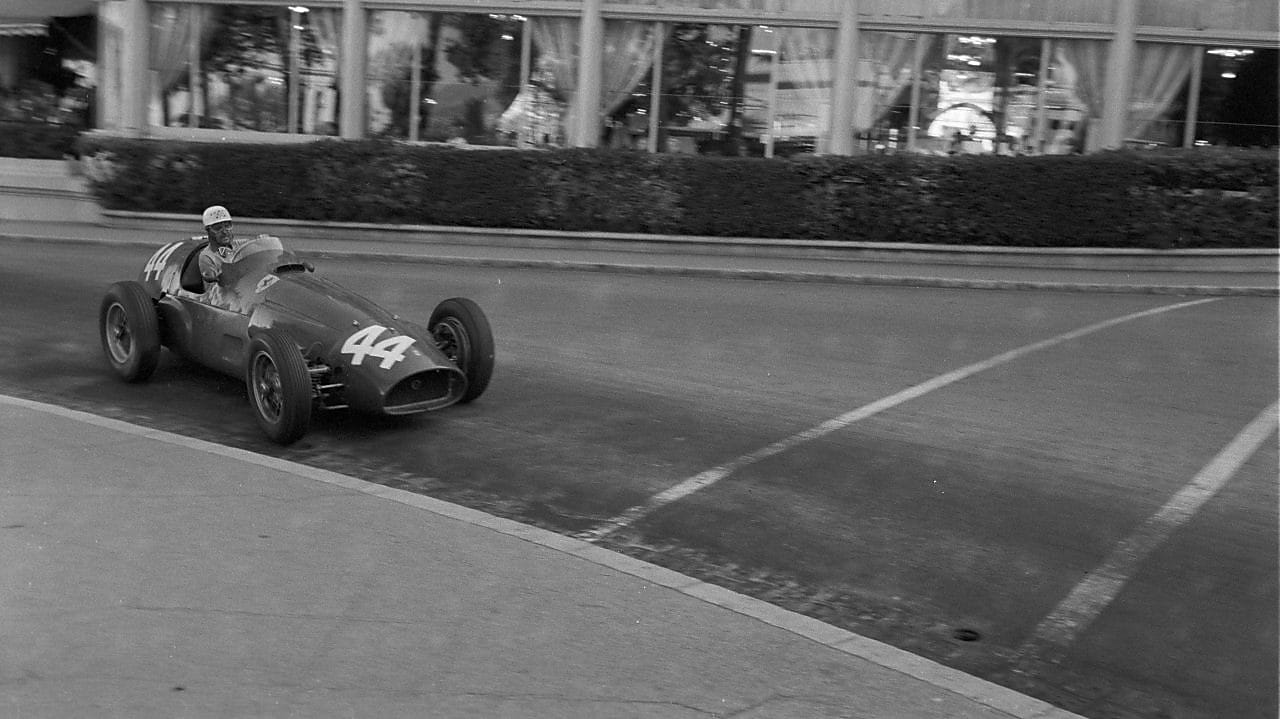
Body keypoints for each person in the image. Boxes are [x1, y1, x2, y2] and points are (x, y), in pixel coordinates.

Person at [197, 205, 252, 287]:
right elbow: (214, 283)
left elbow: (258, 246)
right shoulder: (206, 257)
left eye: (227, 226)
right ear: (208, 230)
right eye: (217, 228)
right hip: (224, 295)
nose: (225, 232)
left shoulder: (241, 244)